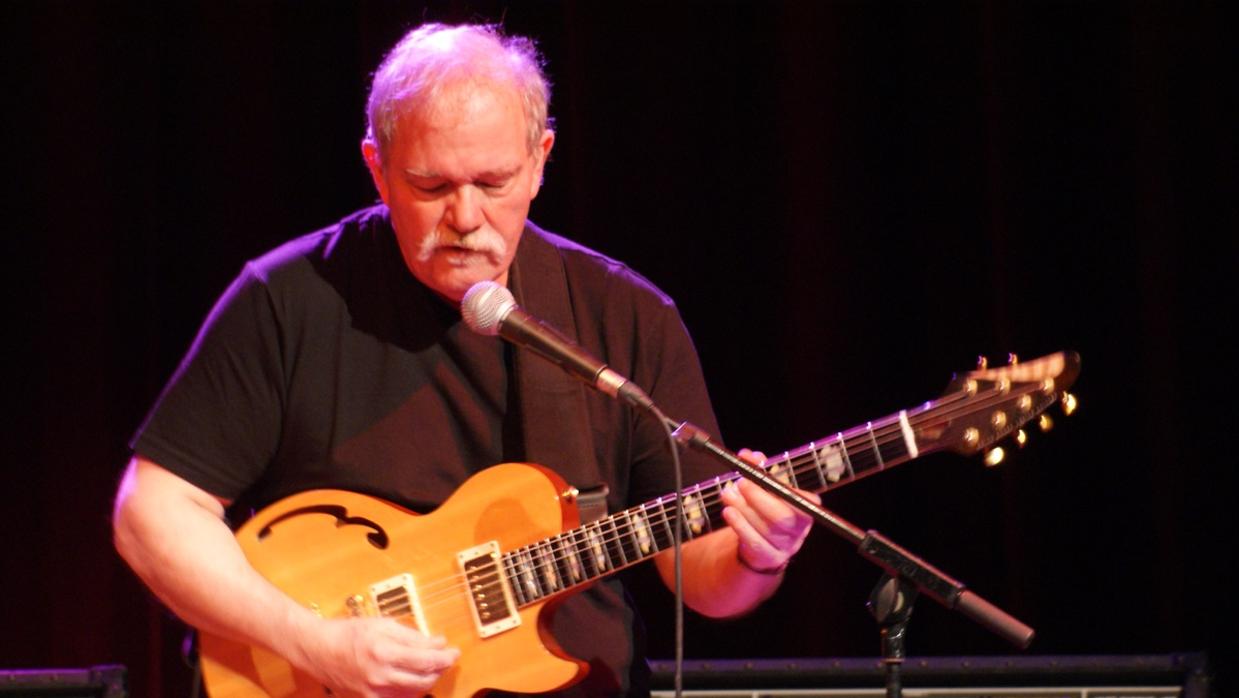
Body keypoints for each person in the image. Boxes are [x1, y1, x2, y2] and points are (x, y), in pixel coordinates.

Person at [113, 22, 816, 697]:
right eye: (432, 187)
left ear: (540, 160)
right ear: (377, 169)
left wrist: (758, 551)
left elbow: (702, 574)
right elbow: (153, 512)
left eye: (494, 181)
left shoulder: (626, 316)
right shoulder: (288, 300)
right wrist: (312, 642)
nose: (466, 216)